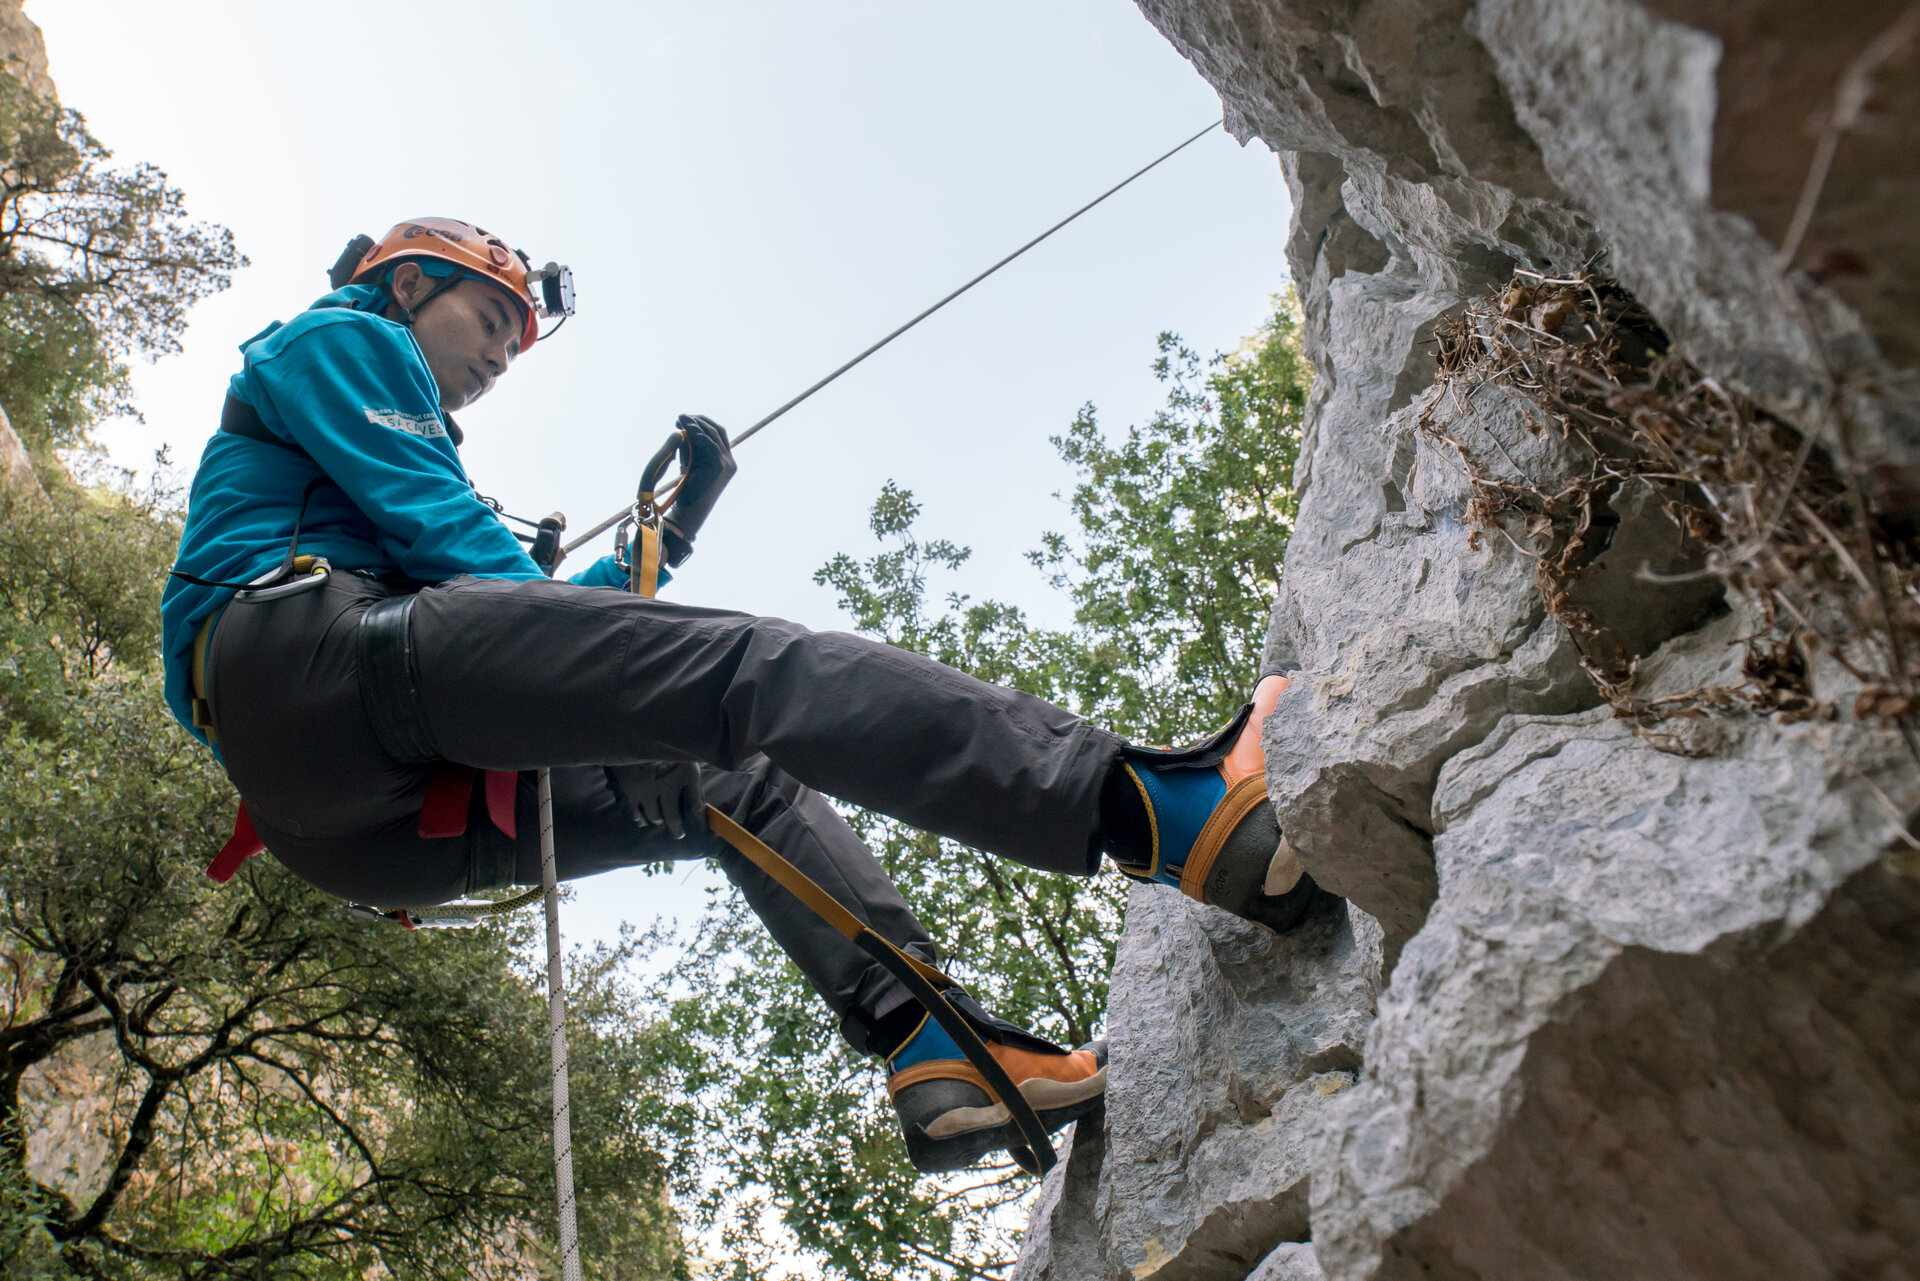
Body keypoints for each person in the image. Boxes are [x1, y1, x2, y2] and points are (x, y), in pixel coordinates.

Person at [160, 217, 1328, 1175]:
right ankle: (1166, 808)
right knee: (747, 674)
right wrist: (603, 620)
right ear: (409, 282)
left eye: (518, 348)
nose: (499, 359)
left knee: (723, 783)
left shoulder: (364, 424)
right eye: (487, 322)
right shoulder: (338, 338)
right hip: (311, 659)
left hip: (358, 825)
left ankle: (938, 1046)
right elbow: (462, 549)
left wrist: (676, 530)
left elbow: (532, 634)